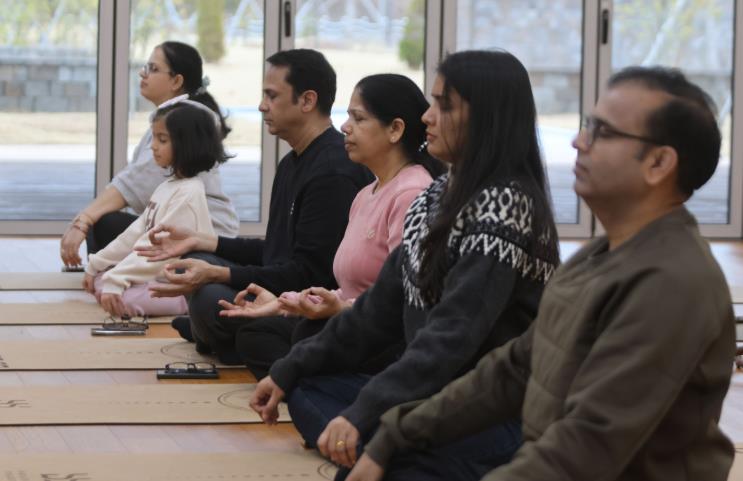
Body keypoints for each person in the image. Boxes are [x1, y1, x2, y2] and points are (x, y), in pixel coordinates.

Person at [345, 66, 736, 481]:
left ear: (658, 163)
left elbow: (585, 448)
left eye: (602, 132)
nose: (578, 141)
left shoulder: (671, 283)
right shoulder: (598, 256)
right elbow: (514, 369)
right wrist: (398, 432)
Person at [249, 50, 561, 478]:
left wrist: (367, 415)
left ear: (488, 118)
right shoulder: (437, 197)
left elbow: (450, 338)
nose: (427, 117)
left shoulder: (506, 204)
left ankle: (376, 448)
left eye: (444, 106)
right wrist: (288, 370)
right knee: (304, 383)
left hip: (493, 412)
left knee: (370, 459)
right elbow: (375, 311)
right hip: (433, 400)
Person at [134, 49, 373, 362]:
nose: (262, 106)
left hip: (302, 304)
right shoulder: (292, 162)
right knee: (195, 260)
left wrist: (217, 275)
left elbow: (308, 275)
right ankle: (211, 330)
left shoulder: (332, 171)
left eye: (271, 96)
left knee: (210, 295)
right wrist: (203, 242)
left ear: (307, 101)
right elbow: (274, 251)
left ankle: (218, 333)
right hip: (279, 286)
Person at [217, 74, 446, 379]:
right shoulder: (366, 193)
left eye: (358, 118)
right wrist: (286, 303)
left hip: (381, 336)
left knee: (298, 337)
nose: (345, 127)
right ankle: (306, 382)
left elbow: (404, 300)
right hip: (347, 320)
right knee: (256, 329)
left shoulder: (411, 192)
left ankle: (309, 384)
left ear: (395, 129)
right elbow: (347, 290)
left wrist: (337, 311)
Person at [60, 41, 238, 267]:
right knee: (107, 224)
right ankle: (106, 275)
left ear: (176, 81)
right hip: (179, 229)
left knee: (103, 222)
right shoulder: (175, 114)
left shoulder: (185, 119)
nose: (143, 74)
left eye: (153, 69)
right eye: (146, 67)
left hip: (204, 239)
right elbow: (135, 182)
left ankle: (109, 277)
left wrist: (83, 221)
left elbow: (132, 184)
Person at [83, 102, 229, 317]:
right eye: (154, 138)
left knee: (119, 295)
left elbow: (159, 252)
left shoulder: (188, 193)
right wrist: (96, 264)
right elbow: (133, 235)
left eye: (162, 140)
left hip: (180, 284)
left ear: (186, 145)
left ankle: (188, 304)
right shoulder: (167, 186)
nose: (153, 146)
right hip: (160, 274)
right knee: (103, 281)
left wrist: (117, 279)